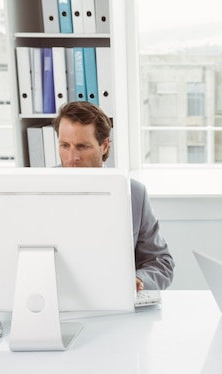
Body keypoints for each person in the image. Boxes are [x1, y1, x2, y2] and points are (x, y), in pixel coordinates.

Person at [52, 101, 175, 291]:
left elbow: (161, 263)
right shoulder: (40, 190)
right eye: (65, 145)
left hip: (115, 302)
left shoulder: (134, 193)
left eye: (82, 146)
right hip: (57, 302)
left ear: (105, 146)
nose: (72, 157)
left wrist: (138, 281)